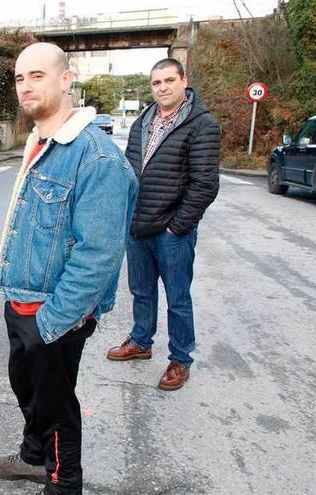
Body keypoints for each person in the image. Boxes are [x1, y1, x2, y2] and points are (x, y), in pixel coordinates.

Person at [0, 43, 138, 495]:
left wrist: (51, 322)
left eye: (37, 75)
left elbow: (98, 255)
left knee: (54, 404)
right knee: (28, 391)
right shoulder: (43, 142)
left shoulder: (97, 157)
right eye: (19, 78)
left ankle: (65, 482)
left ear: (67, 79)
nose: (26, 86)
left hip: (54, 314)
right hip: (22, 301)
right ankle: (34, 456)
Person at [106, 58, 220, 391]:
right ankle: (141, 341)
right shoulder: (144, 120)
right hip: (138, 226)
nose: (163, 87)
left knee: (177, 298)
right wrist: (125, 215)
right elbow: (129, 170)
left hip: (172, 231)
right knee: (141, 291)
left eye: (169, 80)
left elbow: (205, 185)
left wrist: (178, 227)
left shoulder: (202, 124)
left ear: (184, 80)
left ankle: (180, 359)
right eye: (156, 83)